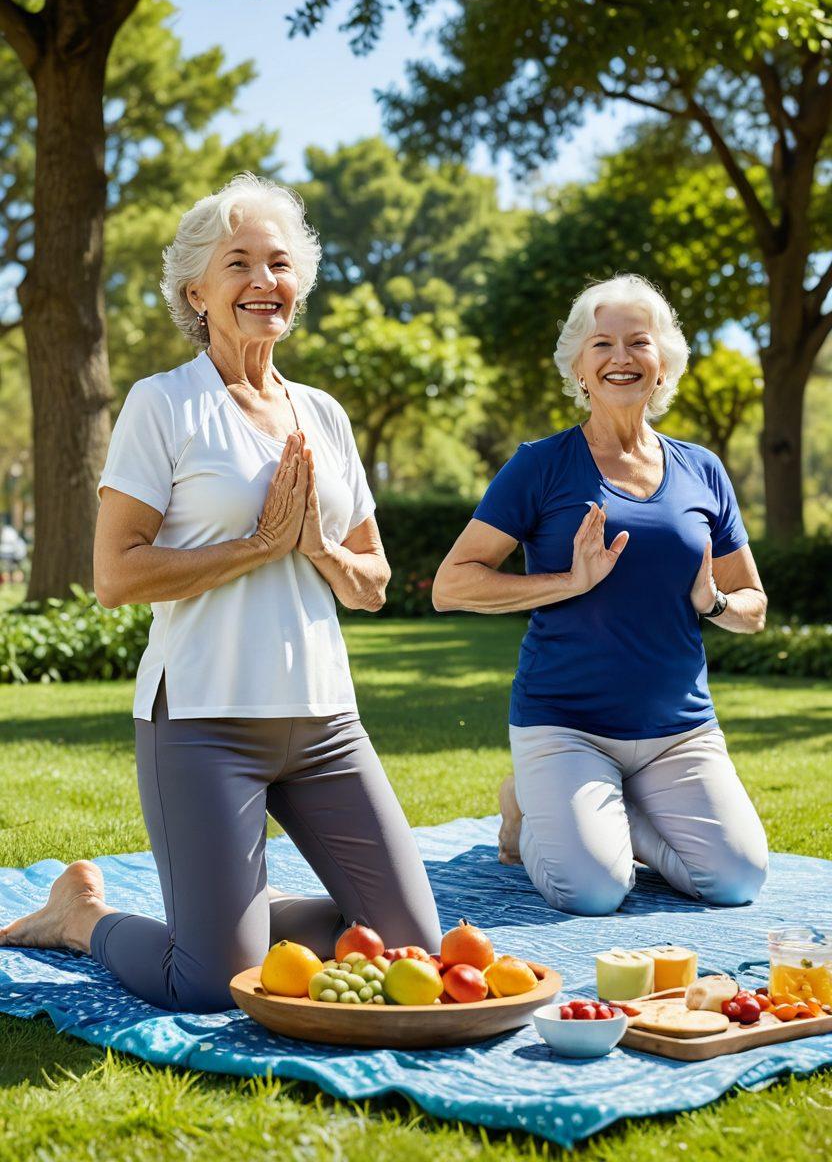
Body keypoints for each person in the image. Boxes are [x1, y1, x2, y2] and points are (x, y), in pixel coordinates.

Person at [0, 173, 441, 1009]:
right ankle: (80, 919)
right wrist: (257, 547)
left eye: (280, 264)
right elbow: (115, 575)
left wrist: (315, 547)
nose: (264, 281)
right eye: (239, 263)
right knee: (208, 982)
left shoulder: (325, 415)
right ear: (196, 292)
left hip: (325, 724)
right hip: (204, 725)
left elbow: (373, 584)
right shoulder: (164, 404)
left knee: (409, 948)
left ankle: (235, 912)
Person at [432, 275, 769, 916]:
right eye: (602, 344)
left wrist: (715, 604)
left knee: (737, 881)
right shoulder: (541, 465)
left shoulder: (703, 469)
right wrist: (569, 582)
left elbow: (752, 602)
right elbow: (452, 584)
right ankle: (530, 804)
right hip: (566, 724)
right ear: (579, 368)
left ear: (663, 363)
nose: (621, 357)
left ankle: (609, 810)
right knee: (592, 891)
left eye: (638, 342)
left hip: (679, 732)